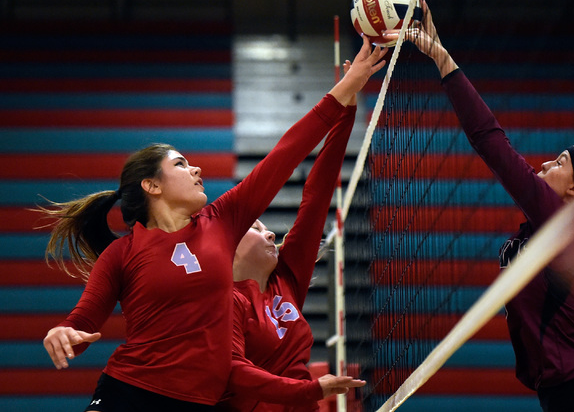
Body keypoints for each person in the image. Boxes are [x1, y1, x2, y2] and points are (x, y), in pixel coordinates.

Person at [40, 36, 387, 412]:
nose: (196, 168)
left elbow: (287, 153)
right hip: (128, 391)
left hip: (197, 404)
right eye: (181, 164)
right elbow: (83, 322)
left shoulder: (222, 220)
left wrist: (346, 89)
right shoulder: (122, 253)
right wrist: (63, 333)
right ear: (152, 185)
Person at [382, 2, 574, 411]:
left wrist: (442, 59)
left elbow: (490, 141)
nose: (546, 163)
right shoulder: (547, 230)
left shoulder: (558, 221)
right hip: (567, 391)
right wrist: (439, 51)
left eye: (561, 162)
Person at [221, 58, 360, 411]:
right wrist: (309, 391)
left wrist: (347, 111)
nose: (270, 234)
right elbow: (234, 372)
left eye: (266, 227)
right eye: (255, 227)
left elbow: (316, 197)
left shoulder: (287, 278)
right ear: (228, 249)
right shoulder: (226, 303)